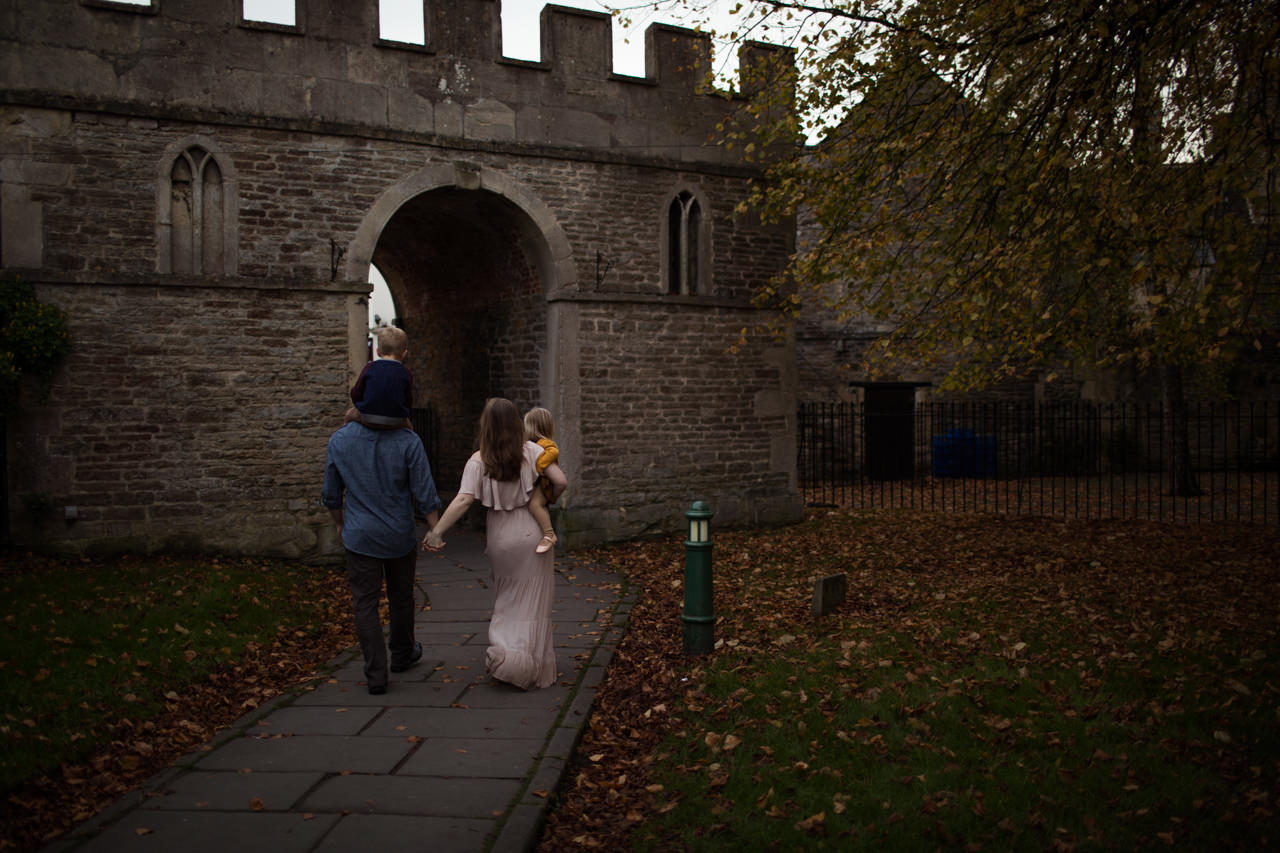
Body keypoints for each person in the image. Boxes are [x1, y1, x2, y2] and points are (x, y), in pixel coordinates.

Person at [423, 398, 567, 690]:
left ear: (485, 427)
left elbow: (463, 500)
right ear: (517, 423)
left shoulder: (478, 460)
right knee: (532, 602)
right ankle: (527, 665)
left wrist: (436, 531)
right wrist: (545, 498)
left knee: (507, 598)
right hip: (530, 530)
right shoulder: (535, 451)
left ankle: (505, 653)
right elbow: (561, 481)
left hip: (499, 534)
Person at [322, 370, 440, 696]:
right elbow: (424, 492)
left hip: (360, 536)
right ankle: (402, 654)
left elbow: (331, 494)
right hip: (399, 535)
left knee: (365, 604)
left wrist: (339, 522)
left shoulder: (340, 440)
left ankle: (376, 674)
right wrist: (435, 528)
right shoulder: (408, 442)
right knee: (401, 598)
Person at [345, 325, 413, 430]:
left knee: (349, 414)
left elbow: (356, 393)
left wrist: (360, 405)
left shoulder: (370, 367)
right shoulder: (406, 372)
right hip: (395, 419)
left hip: (368, 416)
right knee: (409, 428)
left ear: (377, 352)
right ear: (404, 353)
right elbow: (408, 400)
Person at [523, 406, 560, 554]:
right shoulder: (537, 444)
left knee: (535, 505)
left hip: (546, 483)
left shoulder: (544, 444)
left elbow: (554, 452)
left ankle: (549, 534)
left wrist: (539, 466)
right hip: (543, 483)